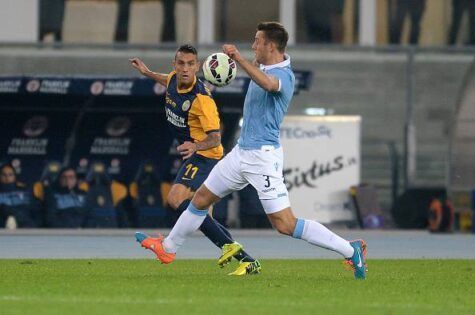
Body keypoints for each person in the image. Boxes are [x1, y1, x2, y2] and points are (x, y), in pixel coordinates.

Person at [136, 22, 368, 279]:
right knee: (200, 199)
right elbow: (241, 73)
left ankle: (351, 250)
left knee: (285, 224)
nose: (253, 45)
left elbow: (269, 85)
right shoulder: (263, 66)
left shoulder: (284, 76)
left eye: (257, 41)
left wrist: (238, 59)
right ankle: (168, 247)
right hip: (240, 153)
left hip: (263, 158)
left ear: (270, 45)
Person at [129, 45, 261, 275]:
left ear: (198, 67)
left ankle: (169, 248)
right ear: (175, 64)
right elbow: (166, 80)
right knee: (198, 213)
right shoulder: (172, 79)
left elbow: (215, 139)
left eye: (190, 64)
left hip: (206, 155)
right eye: (181, 63)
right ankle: (246, 260)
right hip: (198, 155)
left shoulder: (202, 100)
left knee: (177, 198)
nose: (185, 69)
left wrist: (195, 145)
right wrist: (147, 73)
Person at [0, 164, 41, 228]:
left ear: (15, 176)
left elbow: (34, 212)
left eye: (10, 175)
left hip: (26, 229)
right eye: (4, 175)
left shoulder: (25, 192)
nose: (7, 178)